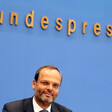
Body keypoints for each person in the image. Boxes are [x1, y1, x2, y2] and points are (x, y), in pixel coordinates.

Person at [2, 65, 72, 112]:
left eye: (55, 85)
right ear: (34, 84)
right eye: (45, 83)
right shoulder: (12, 109)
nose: (50, 88)